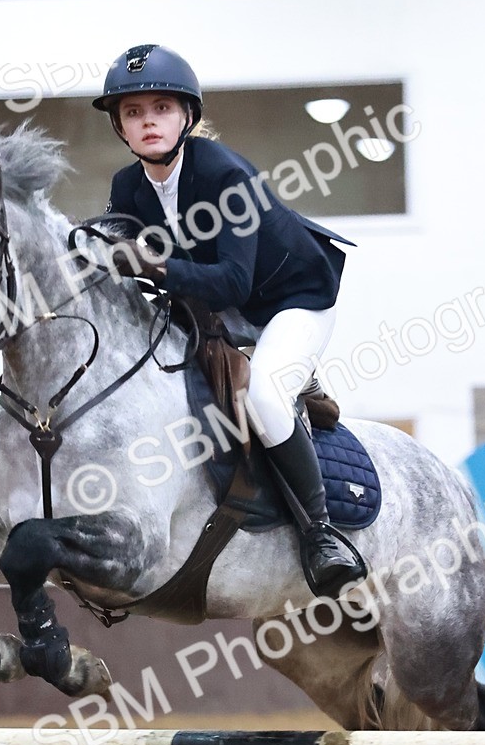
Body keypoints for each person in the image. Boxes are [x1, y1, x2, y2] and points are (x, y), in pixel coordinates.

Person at [93, 43, 366, 598]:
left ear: (187, 116)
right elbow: (120, 250)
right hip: (225, 309)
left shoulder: (223, 173)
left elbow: (233, 282)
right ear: (121, 126)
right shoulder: (128, 186)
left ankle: (321, 533)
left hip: (292, 301)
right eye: (133, 113)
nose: (148, 122)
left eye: (161, 109)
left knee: (265, 398)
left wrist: (155, 263)